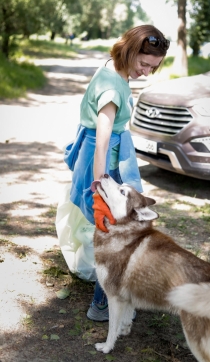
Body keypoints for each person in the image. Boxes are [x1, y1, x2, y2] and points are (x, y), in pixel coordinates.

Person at [62, 24, 170, 321]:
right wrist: (102, 187)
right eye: (144, 63)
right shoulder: (112, 88)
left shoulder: (113, 68)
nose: (147, 72)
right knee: (113, 228)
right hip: (105, 162)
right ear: (131, 50)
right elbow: (102, 140)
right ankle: (101, 304)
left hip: (109, 157)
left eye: (153, 67)